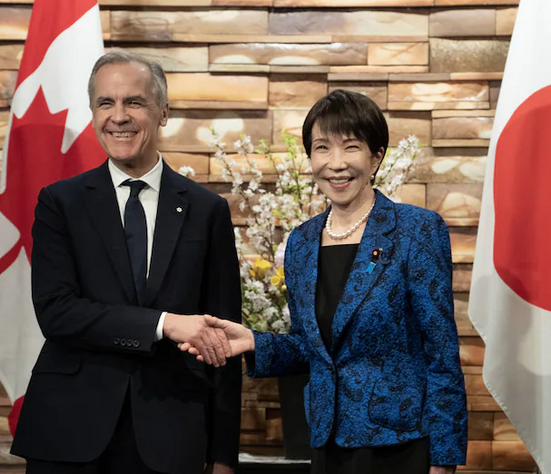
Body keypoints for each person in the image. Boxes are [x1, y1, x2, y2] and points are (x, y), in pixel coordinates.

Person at [183, 90, 468, 473]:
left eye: (351, 147)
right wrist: (254, 342)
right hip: (327, 443)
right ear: (311, 157)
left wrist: (445, 460)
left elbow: (442, 355)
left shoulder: (416, 230)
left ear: (376, 157)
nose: (336, 163)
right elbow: (312, 348)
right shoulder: (302, 242)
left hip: (401, 446)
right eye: (322, 148)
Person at [11, 50, 242, 474]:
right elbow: (57, 312)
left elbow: (223, 338)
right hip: (69, 431)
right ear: (93, 113)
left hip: (171, 434)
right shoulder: (60, 203)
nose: (119, 117)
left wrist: (224, 455)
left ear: (163, 112)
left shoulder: (207, 211)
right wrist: (165, 324)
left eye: (134, 102)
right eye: (106, 103)